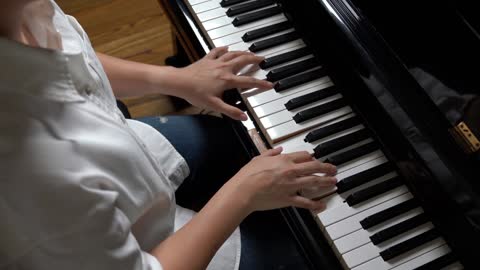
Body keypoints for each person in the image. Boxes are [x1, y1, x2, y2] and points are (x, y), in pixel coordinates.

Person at [0, 1, 338, 269]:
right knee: (319, 250)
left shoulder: (18, 10)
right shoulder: (31, 173)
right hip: (116, 239)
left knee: (237, 139)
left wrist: (173, 79)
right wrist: (242, 193)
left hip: (121, 157)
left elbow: (64, 62)